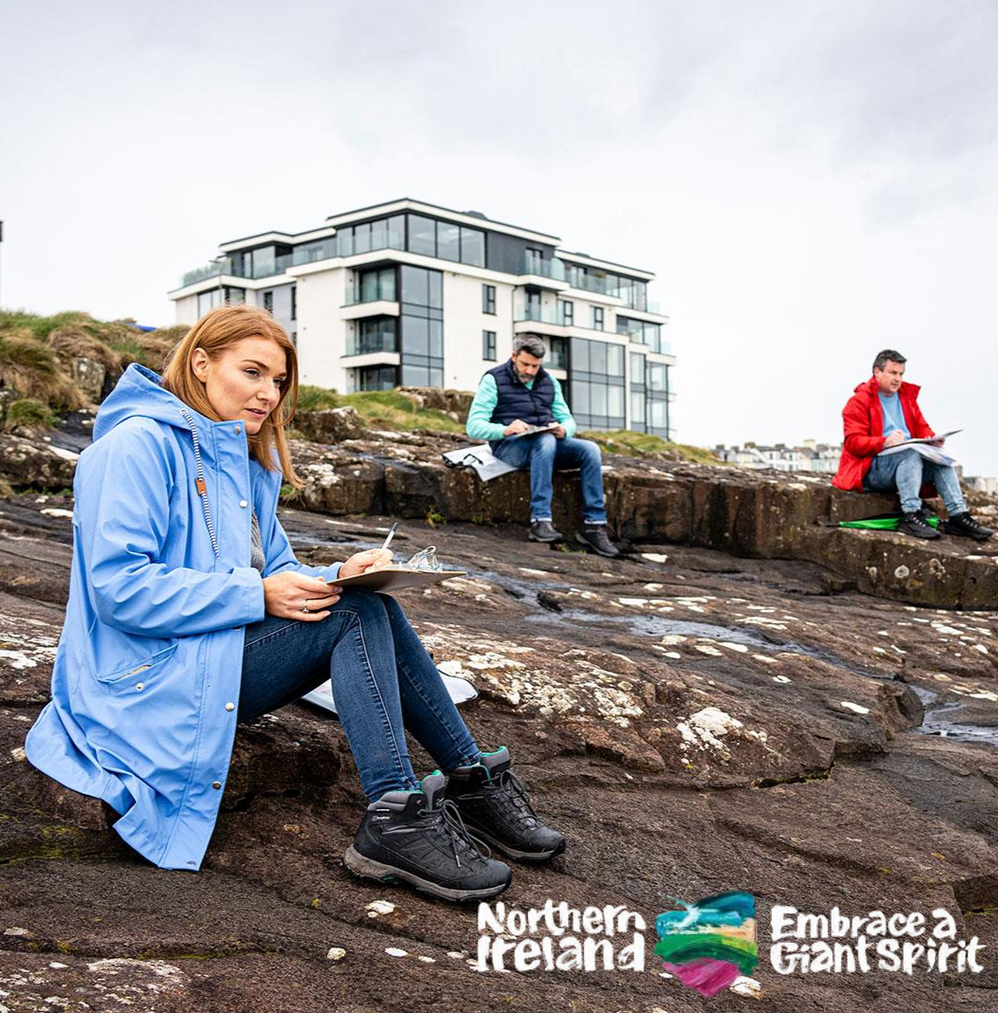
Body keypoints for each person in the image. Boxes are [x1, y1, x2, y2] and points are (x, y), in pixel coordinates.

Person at [24, 305, 564, 902]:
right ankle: (396, 814)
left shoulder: (242, 457)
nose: (268, 394)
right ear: (200, 363)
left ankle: (470, 779)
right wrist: (256, 594)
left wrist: (339, 574)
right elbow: (119, 589)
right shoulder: (133, 447)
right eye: (252, 372)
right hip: (143, 679)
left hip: (210, 650)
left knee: (368, 601)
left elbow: (275, 571)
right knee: (355, 616)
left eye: (278, 381)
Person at [466, 334, 619, 558]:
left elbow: (568, 420)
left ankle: (594, 526)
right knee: (545, 441)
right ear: (513, 356)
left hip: (546, 445)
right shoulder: (493, 379)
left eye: (535, 366)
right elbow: (473, 426)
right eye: (525, 364)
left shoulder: (550, 382)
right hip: (510, 447)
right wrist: (505, 429)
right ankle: (540, 520)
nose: (530, 371)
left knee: (590, 449)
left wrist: (564, 430)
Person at [832, 349, 993, 541]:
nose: (898, 379)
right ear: (877, 372)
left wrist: (932, 439)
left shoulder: (906, 399)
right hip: (871, 470)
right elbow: (852, 442)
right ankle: (911, 514)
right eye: (893, 373)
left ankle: (958, 516)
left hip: (905, 467)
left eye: (901, 374)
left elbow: (922, 427)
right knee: (910, 454)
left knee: (940, 461)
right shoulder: (858, 401)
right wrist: (884, 442)